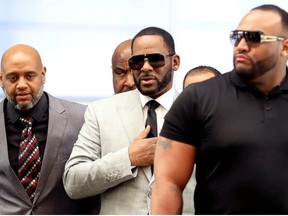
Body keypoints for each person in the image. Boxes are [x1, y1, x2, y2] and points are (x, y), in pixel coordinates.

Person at [152, 4, 288, 215]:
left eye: (254, 38)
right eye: (237, 37)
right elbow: (167, 184)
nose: (241, 46)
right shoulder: (198, 98)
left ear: (285, 47)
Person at [63, 26, 182, 214]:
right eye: (137, 62)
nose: (145, 67)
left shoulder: (197, 111)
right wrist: (128, 158)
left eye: (155, 59)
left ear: (175, 62)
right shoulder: (101, 111)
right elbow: (73, 182)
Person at [0, 44, 100, 214]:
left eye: (29, 76)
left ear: (43, 74)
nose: (21, 85)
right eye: (13, 78)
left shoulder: (82, 118)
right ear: (1, 79)